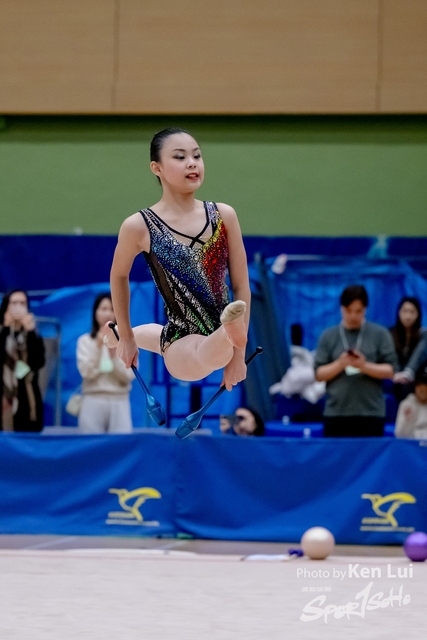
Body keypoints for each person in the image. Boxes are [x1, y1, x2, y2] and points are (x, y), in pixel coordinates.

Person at [107, 128, 251, 391]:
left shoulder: (224, 216)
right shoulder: (139, 226)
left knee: (165, 337)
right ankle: (228, 332)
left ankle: (229, 333)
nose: (192, 163)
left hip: (222, 335)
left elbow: (242, 286)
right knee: (200, 353)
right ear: (157, 168)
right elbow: (118, 275)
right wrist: (126, 336)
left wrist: (239, 358)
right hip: (181, 342)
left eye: (197, 155)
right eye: (180, 157)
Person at [314, 285, 397, 437]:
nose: (353, 316)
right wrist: (341, 364)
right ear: (341, 308)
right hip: (336, 414)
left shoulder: (380, 334)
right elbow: (318, 374)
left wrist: (363, 366)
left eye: (358, 311)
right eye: (348, 311)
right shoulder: (328, 336)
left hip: (371, 413)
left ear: (365, 309)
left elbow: (391, 370)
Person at [77, 293, 134, 434]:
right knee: (91, 444)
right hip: (93, 399)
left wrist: (113, 354)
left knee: (120, 443)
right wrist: (98, 346)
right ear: (95, 313)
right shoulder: (85, 341)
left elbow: (128, 375)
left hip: (119, 400)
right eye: (103, 309)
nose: (108, 313)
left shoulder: (126, 342)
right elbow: (86, 373)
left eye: (112, 309)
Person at [0, 290, 45, 432]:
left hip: (27, 396)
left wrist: (30, 331)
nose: (18, 307)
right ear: (6, 306)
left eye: (22, 303)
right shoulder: (2, 331)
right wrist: (6, 328)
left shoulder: (32, 333)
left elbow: (38, 362)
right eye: (13, 303)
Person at [389, 297, 426, 401]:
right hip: (395, 375)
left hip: (417, 376)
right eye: (405, 311)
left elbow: (419, 355)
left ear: (418, 314)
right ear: (399, 313)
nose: (408, 316)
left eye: (412, 312)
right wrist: (395, 373)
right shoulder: (390, 333)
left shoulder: (423, 334)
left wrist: (408, 373)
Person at [395, 366, 427, 439]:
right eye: (421, 388)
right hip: (410, 443)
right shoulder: (406, 405)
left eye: (426, 388)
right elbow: (399, 434)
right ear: (415, 387)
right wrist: (409, 420)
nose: (423, 391)